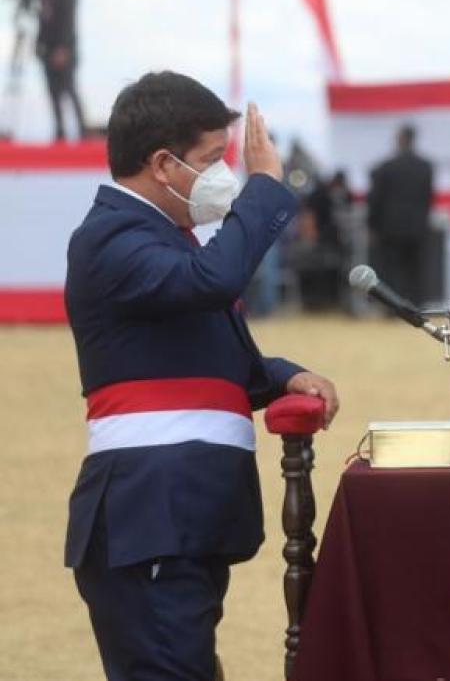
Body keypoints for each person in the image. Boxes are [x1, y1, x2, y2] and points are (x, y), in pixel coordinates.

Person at [63, 71, 340, 680]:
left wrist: (283, 377)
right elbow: (213, 283)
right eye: (213, 160)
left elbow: (215, 363)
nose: (227, 176)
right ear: (163, 164)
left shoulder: (172, 240)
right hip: (150, 515)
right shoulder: (110, 237)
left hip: (181, 515)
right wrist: (265, 187)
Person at [367, 124, 434, 304]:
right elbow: (428, 197)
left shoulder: (386, 167)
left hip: (391, 227)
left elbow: (375, 200)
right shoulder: (426, 167)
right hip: (417, 227)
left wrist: (372, 225)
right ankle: (417, 306)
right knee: (416, 270)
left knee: (392, 269)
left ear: (400, 139)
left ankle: (393, 307)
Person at [34, 0, 86, 141]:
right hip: (47, 51)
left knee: (69, 89)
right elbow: (43, 24)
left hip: (64, 50)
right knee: (53, 92)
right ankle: (60, 131)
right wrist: (38, 45)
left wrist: (63, 48)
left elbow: (67, 24)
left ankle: (82, 131)